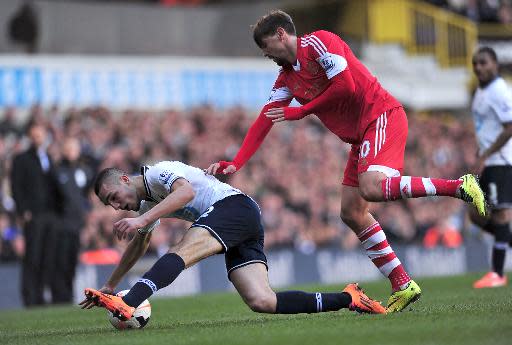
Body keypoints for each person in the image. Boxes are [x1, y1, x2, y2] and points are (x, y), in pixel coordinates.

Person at [206, 10, 487, 312]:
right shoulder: (287, 77)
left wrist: (302, 111)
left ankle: (459, 186)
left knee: (372, 187)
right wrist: (236, 162)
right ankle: (402, 283)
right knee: (352, 212)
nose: (266, 55)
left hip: (380, 115)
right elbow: (265, 119)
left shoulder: (320, 43)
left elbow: (346, 86)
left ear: (281, 35)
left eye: (266, 48)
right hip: (360, 136)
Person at [80, 161, 386, 319]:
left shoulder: (160, 172)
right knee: (262, 301)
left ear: (123, 180)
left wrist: (142, 220)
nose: (117, 206)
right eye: (111, 205)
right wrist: (111, 283)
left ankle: (129, 302)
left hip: (234, 208)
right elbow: (140, 243)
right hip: (240, 220)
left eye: (114, 197)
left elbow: (185, 193)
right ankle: (350, 299)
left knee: (181, 250)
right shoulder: (147, 203)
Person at [470, 47, 512, 288]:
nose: (478, 67)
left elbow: (509, 127)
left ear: (495, 64)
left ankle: (497, 273)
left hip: (501, 162)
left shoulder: (499, 91)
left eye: (483, 63)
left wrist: (486, 153)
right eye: (475, 63)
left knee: (500, 215)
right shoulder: (481, 90)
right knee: (475, 214)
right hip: (487, 160)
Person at [10, 120, 60, 306]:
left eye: (41, 135)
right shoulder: (21, 159)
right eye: (35, 135)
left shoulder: (48, 157)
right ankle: (30, 298)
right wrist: (23, 211)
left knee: (47, 257)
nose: (38, 138)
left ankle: (41, 296)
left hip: (50, 215)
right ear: (30, 137)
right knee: (32, 256)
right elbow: (16, 187)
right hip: (33, 215)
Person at [52, 137, 94, 302]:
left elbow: (86, 198)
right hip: (61, 224)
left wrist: (87, 223)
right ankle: (59, 297)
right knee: (59, 262)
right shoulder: (56, 171)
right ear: (63, 150)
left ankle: (67, 296)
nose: (71, 151)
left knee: (71, 262)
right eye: (68, 148)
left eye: (74, 148)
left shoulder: (84, 171)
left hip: (77, 225)